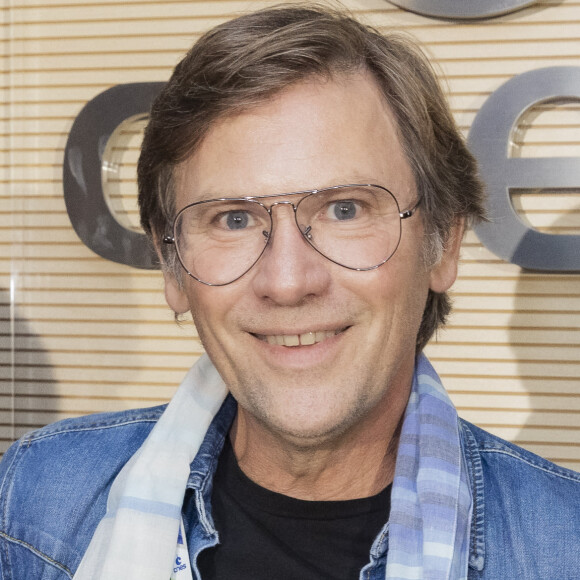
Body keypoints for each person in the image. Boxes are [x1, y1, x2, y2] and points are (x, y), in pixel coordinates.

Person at [1, 5, 579, 580]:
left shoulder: (563, 548)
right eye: (232, 219)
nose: (287, 281)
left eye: (344, 209)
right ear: (173, 266)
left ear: (443, 244)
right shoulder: (36, 502)